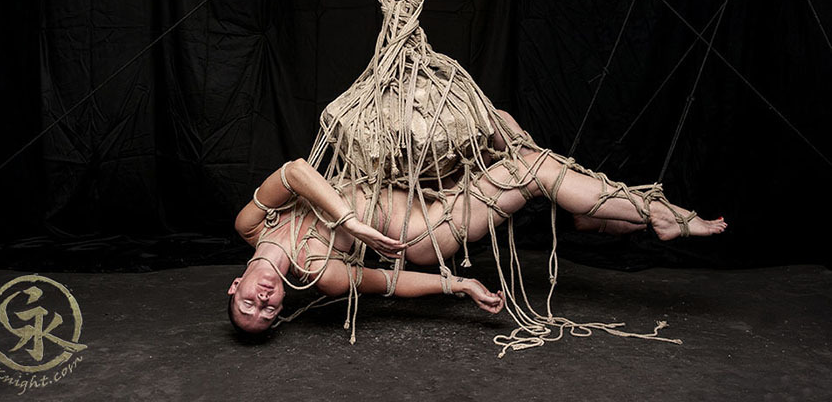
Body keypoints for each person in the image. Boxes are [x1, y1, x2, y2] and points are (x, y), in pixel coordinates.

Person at [226, 109, 726, 335]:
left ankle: (584, 212)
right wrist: (459, 284)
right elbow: (391, 282)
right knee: (533, 171)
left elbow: (294, 172)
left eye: (250, 303)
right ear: (282, 304)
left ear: (236, 286)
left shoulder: (252, 225)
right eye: (268, 312)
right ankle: (661, 216)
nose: (264, 300)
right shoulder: (320, 272)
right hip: (426, 228)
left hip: (415, 184)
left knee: (503, 126)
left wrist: (349, 220)